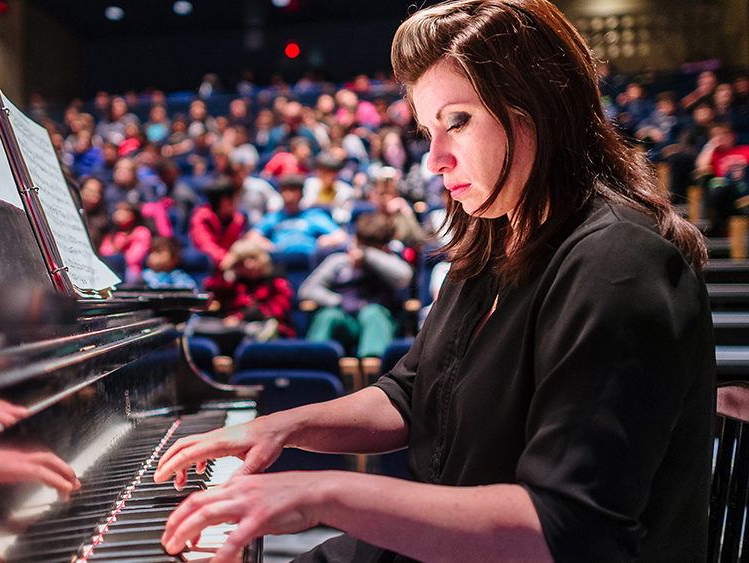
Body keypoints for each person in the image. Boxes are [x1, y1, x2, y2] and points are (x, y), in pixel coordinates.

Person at [152, 2, 714, 563]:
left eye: (459, 121)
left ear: (539, 107)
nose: (436, 159)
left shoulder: (619, 265)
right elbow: (409, 395)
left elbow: (566, 528)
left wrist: (322, 491)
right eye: (427, 130)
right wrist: (280, 428)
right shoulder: (492, 245)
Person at [299, 212, 412, 360]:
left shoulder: (390, 262)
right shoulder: (339, 261)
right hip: (346, 322)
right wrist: (337, 301)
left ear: (384, 247)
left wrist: (368, 255)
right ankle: (313, 366)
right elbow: (307, 290)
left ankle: (373, 373)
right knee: (328, 316)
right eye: (363, 246)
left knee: (372, 313)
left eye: (373, 248)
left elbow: (404, 277)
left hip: (378, 324)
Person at [247, 174, 348, 255]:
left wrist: (326, 241)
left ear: (301, 193)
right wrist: (267, 245)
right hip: (280, 263)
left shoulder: (314, 215)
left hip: (309, 262)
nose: (288, 194)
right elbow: (252, 235)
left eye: (292, 190)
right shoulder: (274, 216)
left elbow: (341, 236)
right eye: (284, 190)